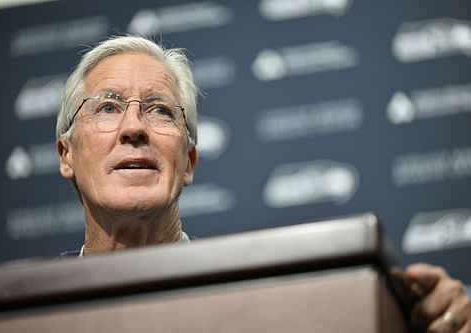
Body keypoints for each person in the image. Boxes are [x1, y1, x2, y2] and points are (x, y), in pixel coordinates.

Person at [55, 35, 470, 332]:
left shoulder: (276, 306)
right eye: (107, 107)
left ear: (188, 163)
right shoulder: (12, 317)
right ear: (66, 155)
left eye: (160, 110)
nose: (134, 127)